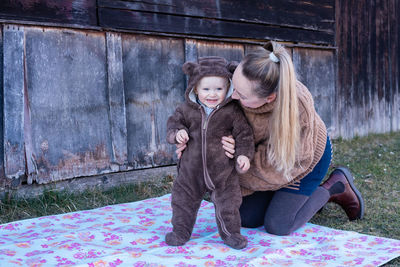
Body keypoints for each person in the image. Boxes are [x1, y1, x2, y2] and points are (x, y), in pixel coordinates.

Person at [175, 42, 365, 236]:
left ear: (270, 98)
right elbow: (205, 109)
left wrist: (222, 163)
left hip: (298, 162)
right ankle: (285, 199)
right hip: (259, 154)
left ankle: (334, 187)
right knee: (246, 218)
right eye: (233, 86)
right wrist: (194, 142)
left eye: (241, 95)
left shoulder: (298, 113)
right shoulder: (243, 76)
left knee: (279, 224)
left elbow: (272, 168)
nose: (232, 95)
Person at [165, 56, 254, 249]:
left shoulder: (232, 111)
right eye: (206, 89)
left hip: (223, 172)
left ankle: (231, 234)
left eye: (219, 89)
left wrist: (243, 155)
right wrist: (177, 134)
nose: (212, 94)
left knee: (229, 205)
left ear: (229, 88)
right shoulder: (186, 110)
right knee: (182, 203)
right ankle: (180, 231)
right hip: (190, 172)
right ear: (195, 88)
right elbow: (173, 125)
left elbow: (244, 134)